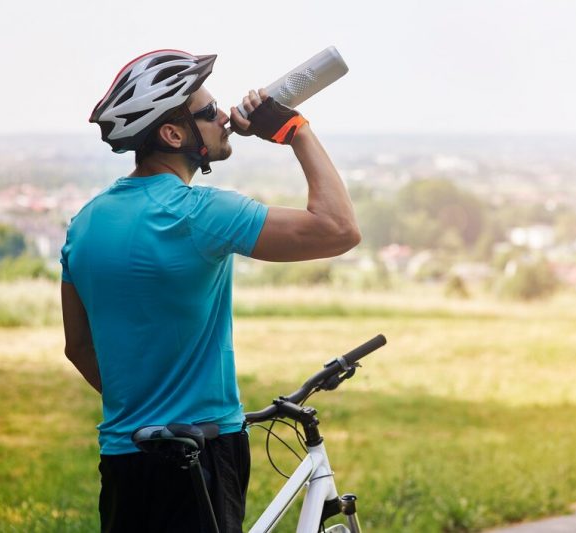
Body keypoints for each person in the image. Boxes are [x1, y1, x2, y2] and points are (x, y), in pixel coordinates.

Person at [60, 49, 360, 532]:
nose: (224, 117)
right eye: (208, 112)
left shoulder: (85, 224)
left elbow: (78, 347)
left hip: (123, 456)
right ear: (173, 134)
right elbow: (339, 229)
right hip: (201, 452)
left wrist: (146, 408)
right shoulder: (200, 213)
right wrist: (294, 129)